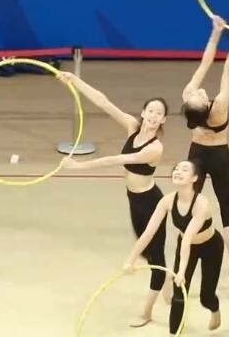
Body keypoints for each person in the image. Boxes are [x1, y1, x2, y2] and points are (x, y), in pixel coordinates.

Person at [57, 72, 170, 327]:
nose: (153, 116)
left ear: (163, 119)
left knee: (155, 258)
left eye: (159, 113)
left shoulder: (155, 148)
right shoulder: (132, 126)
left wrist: (78, 166)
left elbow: (116, 160)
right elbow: (104, 103)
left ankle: (147, 311)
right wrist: (75, 80)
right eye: (150, 111)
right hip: (134, 201)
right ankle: (168, 285)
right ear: (143, 113)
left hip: (151, 203)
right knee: (149, 253)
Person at [180, 15, 229, 286]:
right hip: (219, 156)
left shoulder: (188, 99)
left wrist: (216, 33)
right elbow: (227, 70)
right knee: (227, 209)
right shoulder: (219, 107)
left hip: (196, 154)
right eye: (199, 96)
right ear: (204, 106)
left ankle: (193, 266)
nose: (199, 92)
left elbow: (205, 63)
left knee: (189, 205)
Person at [124, 160, 224, 336]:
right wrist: (130, 261)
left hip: (211, 247)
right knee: (178, 296)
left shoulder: (202, 204)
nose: (178, 171)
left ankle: (214, 309)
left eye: (184, 169)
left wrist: (181, 271)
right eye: (176, 169)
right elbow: (148, 233)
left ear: (194, 178)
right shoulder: (167, 201)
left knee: (206, 297)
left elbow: (188, 238)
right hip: (186, 246)